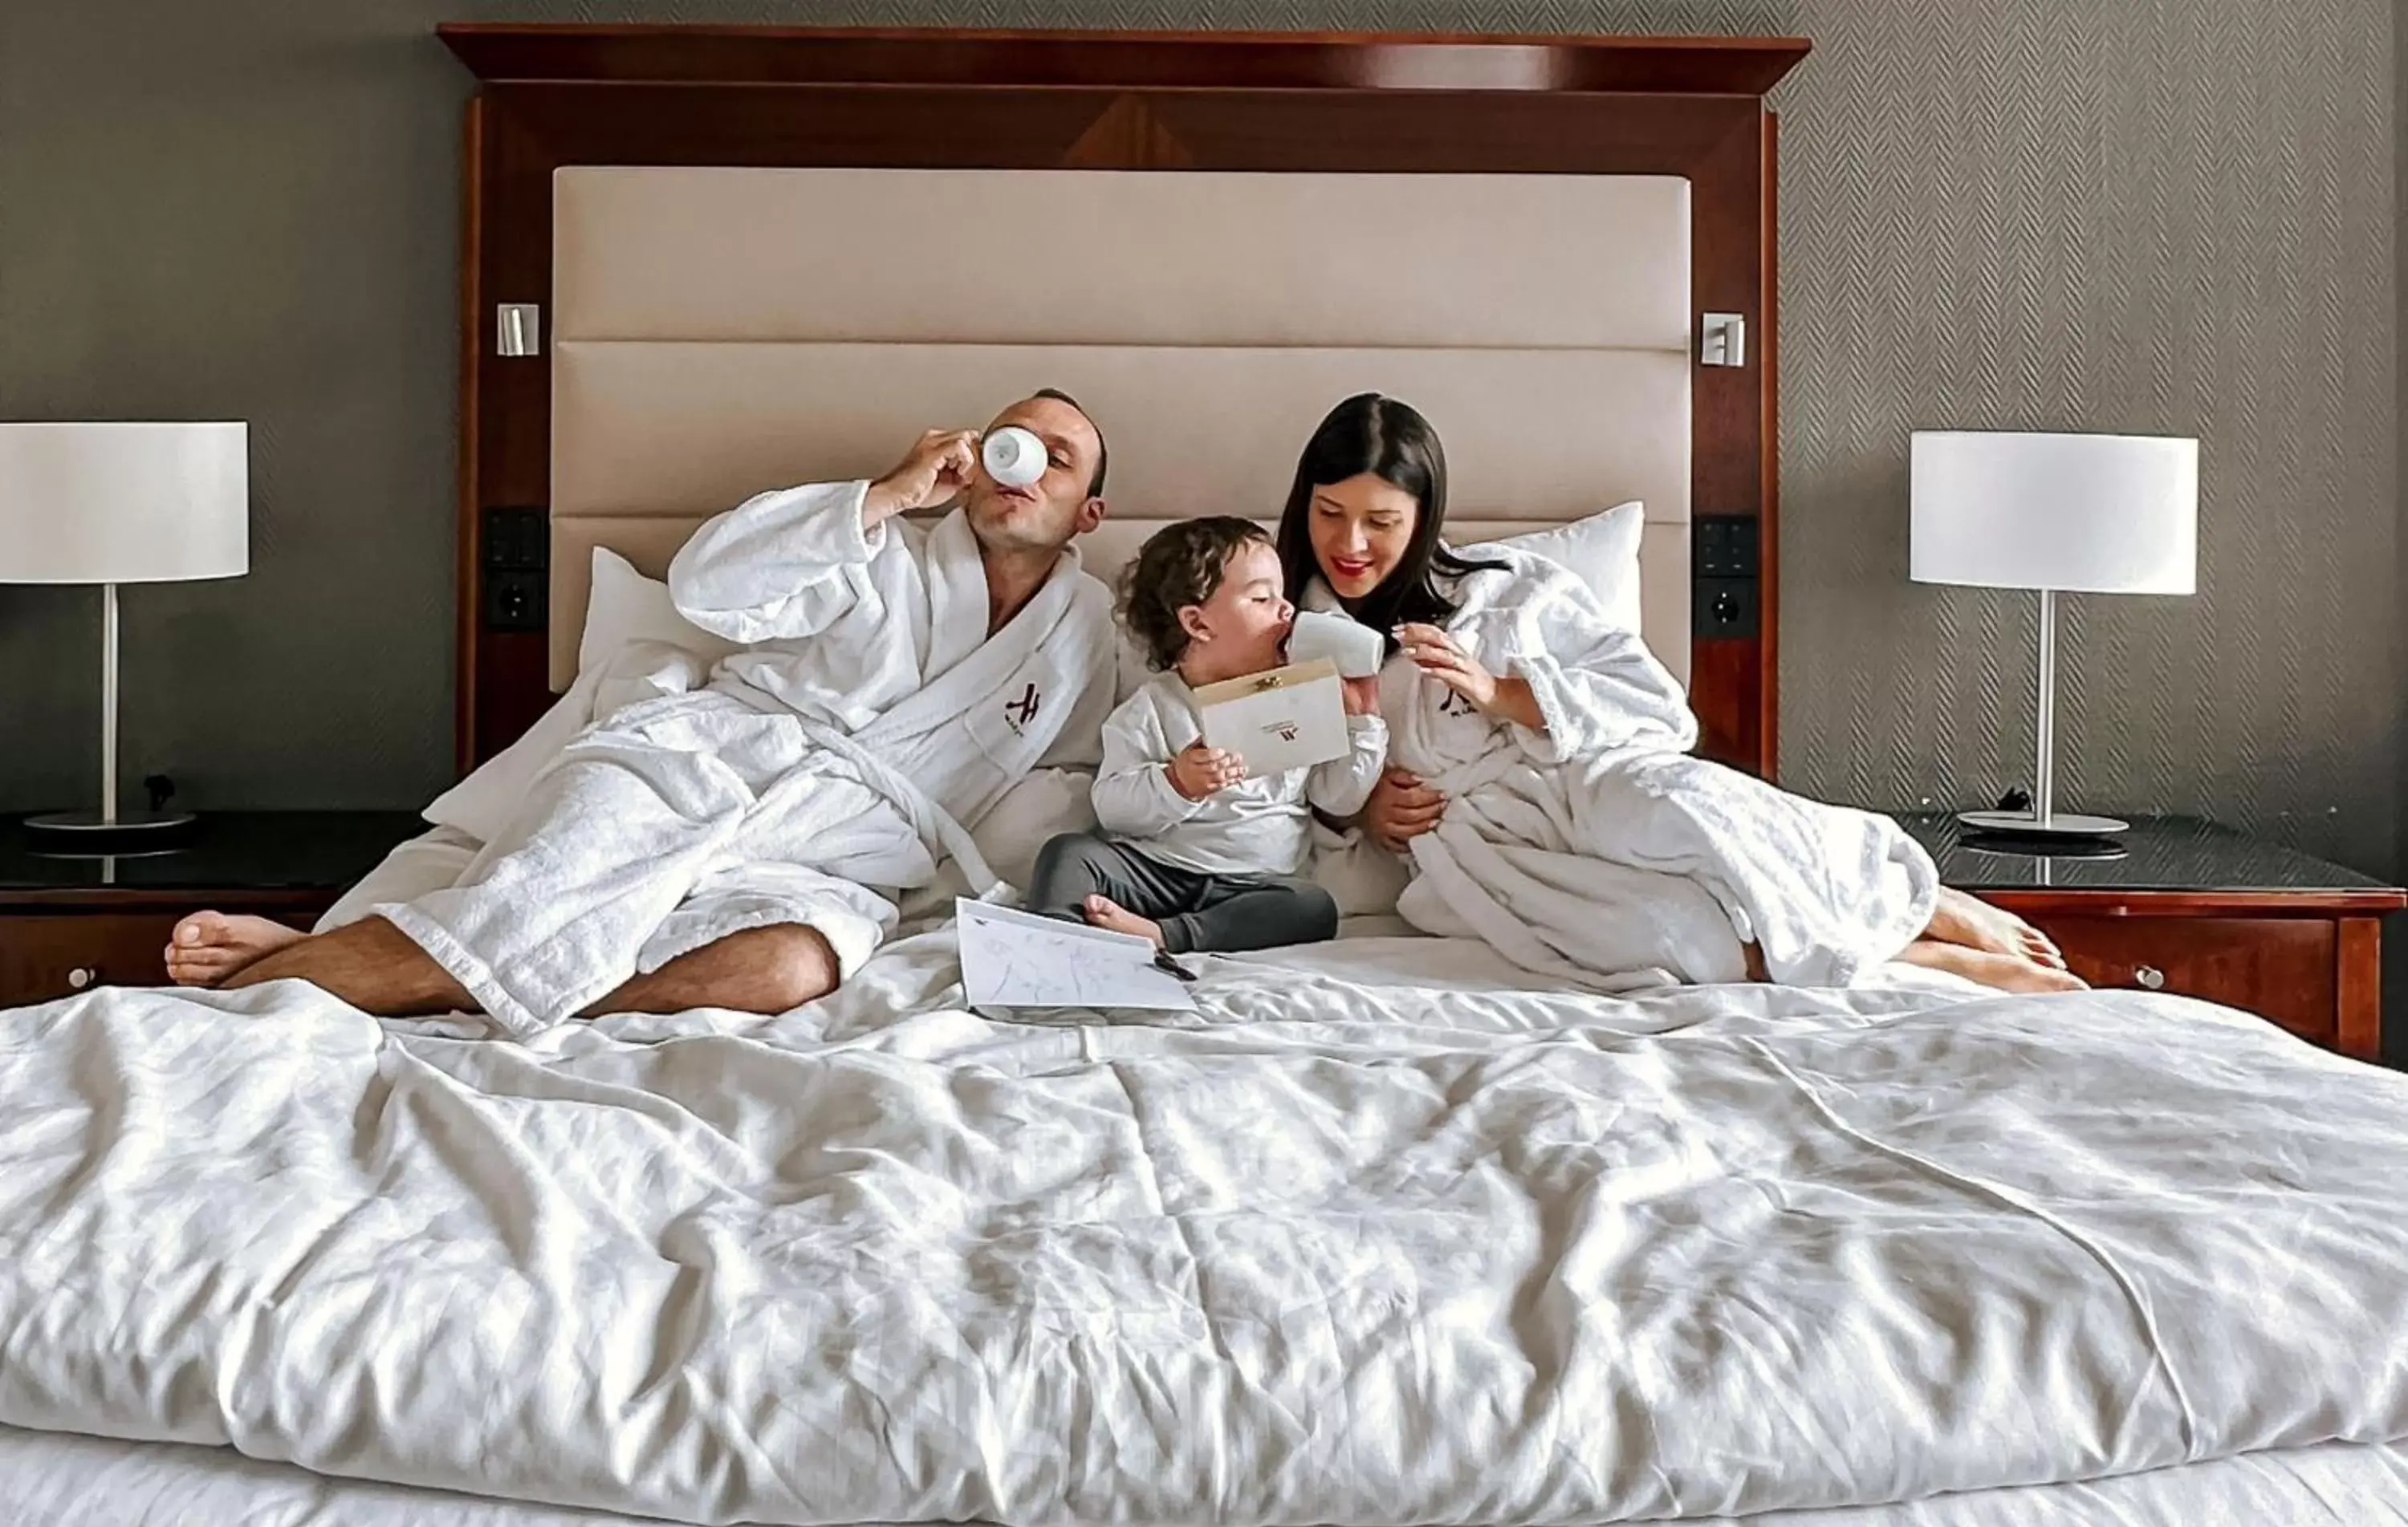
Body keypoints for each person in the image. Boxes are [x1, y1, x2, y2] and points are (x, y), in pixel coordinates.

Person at [165, 392, 1120, 1034]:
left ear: (1089, 514)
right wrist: (882, 495)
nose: (1022, 468)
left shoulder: (1085, 636)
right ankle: (240, 1005)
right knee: (525, 911)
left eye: (1058, 459)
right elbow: (711, 586)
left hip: (834, 849)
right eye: (1009, 444)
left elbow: (1068, 786)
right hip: (693, 770)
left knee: (788, 969)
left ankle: (410, 969)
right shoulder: (874, 547)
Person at [1279, 392, 2084, 996]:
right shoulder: (1286, 631)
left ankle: (1915, 898)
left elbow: (1660, 709)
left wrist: (1504, 691)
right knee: (1667, 935)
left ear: (1422, 517)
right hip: (1482, 848)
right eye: (1330, 514)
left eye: (1380, 521)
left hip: (1586, 775)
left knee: (1676, 810)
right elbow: (1271, 786)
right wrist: (1361, 810)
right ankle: (1912, 954)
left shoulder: (1512, 588)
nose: (1350, 544)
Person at [1027, 517, 1385, 956]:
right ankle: (1051, 949)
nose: (1287, 608)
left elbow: (1339, 799)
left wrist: (1364, 721)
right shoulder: (1152, 710)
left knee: (1313, 907)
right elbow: (1113, 810)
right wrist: (1176, 783)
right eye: (1261, 597)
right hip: (1155, 872)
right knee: (1069, 854)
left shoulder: (1298, 698)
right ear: (1198, 624)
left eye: (1283, 593)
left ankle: (1165, 936)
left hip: (1252, 886)